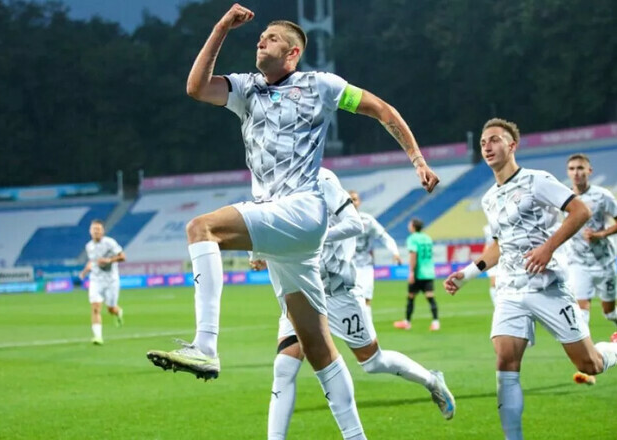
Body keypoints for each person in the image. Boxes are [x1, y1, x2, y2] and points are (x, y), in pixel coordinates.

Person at [146, 5, 439, 439]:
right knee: (318, 349)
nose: (260, 40)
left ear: (293, 52)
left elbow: (381, 109)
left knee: (200, 228)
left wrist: (417, 159)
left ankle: (205, 345)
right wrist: (221, 27)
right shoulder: (246, 88)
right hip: (285, 233)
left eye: (272, 38)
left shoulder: (321, 85)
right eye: (259, 36)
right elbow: (196, 88)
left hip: (302, 210)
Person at [444, 118, 617, 440]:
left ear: (512, 146)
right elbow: (500, 245)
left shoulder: (537, 180)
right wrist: (467, 274)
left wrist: (547, 248)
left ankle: (614, 349)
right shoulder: (489, 198)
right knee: (505, 362)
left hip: (547, 287)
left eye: (494, 140)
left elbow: (580, 211)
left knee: (589, 364)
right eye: (483, 142)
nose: (487, 146)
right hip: (510, 291)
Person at [264, 168, 454, 440]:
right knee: (284, 367)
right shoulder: (277, 184)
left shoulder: (323, 180)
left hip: (338, 291)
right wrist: (258, 251)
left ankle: (431, 380)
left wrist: (313, 238)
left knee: (372, 362)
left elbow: (353, 226)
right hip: (300, 290)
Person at [565, 153, 617, 385]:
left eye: (580, 168)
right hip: (578, 264)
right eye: (572, 169)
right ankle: (589, 367)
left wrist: (600, 234)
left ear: (589, 171)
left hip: (604, 263)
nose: (576, 173)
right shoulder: (564, 198)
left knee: (609, 312)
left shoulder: (602, 196)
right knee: (581, 312)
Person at [348, 190, 402, 332]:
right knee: (352, 301)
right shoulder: (338, 221)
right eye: (349, 200)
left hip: (365, 266)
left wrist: (395, 252)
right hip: (347, 267)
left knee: (366, 300)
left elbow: (384, 236)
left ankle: (369, 332)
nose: (352, 202)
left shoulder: (367, 220)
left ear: (359, 202)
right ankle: (356, 330)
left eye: (354, 199)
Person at [79, 219, 125, 345]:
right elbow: (92, 261)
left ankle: (118, 312)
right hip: (95, 280)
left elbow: (123, 257)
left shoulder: (110, 243)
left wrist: (108, 260)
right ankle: (98, 337)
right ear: (90, 231)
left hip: (111, 280)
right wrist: (84, 271)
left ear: (103, 231)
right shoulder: (89, 246)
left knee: (111, 309)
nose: (96, 231)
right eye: (94, 229)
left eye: (98, 229)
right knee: (95, 308)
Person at [394, 218, 439, 331]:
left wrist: (411, 272)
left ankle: (407, 322)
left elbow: (413, 254)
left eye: (410, 225)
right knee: (430, 297)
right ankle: (435, 323)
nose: (408, 226)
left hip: (418, 272)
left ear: (413, 227)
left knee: (411, 297)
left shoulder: (412, 238)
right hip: (429, 271)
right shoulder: (427, 238)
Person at [483, 224, 498, 305]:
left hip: (502, 257)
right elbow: (487, 244)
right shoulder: (486, 228)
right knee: (493, 283)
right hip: (491, 258)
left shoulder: (500, 224)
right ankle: (496, 306)